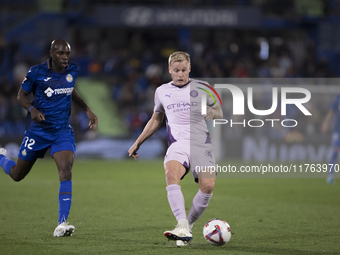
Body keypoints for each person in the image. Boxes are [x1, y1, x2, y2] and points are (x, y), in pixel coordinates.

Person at [0, 39, 98, 237]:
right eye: (61, 54)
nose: (65, 58)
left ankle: (62, 224)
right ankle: (1, 158)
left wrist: (87, 109)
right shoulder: (36, 72)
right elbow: (21, 96)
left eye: (67, 54)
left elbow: (71, 92)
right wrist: (32, 109)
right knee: (17, 175)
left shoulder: (73, 70)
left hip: (61, 131)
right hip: (39, 132)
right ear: (52, 54)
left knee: (65, 170)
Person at [128, 51, 223, 246]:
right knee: (171, 173)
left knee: (208, 186)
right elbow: (156, 119)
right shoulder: (161, 91)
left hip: (200, 144)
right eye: (176, 70)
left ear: (190, 69)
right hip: (178, 144)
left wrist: (211, 112)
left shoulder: (204, 87)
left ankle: (187, 226)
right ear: (169, 70)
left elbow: (219, 112)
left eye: (184, 70)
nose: (180, 74)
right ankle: (180, 224)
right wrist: (138, 142)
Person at [321, 94, 340, 184]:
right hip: (338, 131)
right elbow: (331, 112)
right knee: (334, 153)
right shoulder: (338, 99)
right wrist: (325, 123)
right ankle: (330, 176)